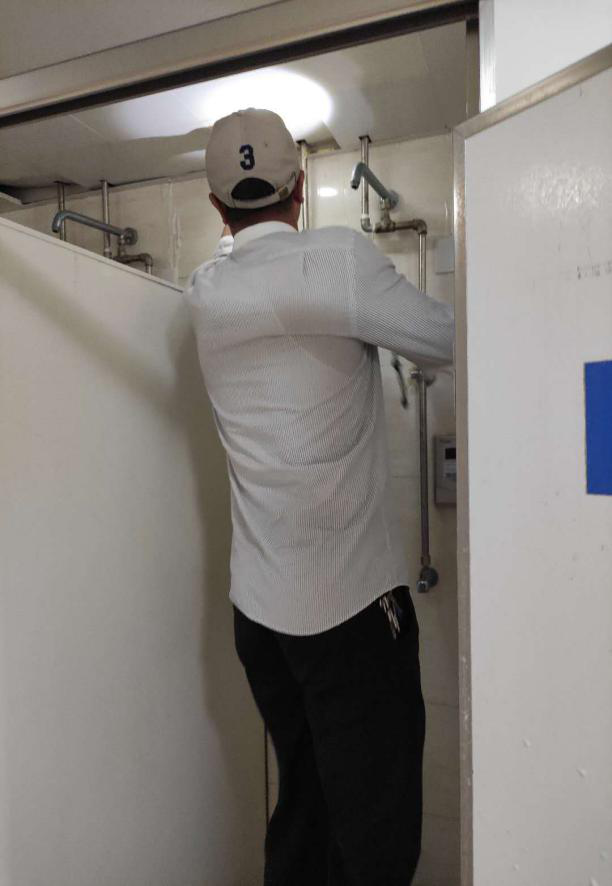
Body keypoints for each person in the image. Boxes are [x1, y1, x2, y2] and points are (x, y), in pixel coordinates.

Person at [184, 108, 454, 886]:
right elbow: (451, 339)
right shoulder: (335, 264)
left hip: (261, 618)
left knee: (304, 808)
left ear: (216, 206)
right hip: (350, 613)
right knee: (377, 839)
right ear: (299, 189)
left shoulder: (205, 293)